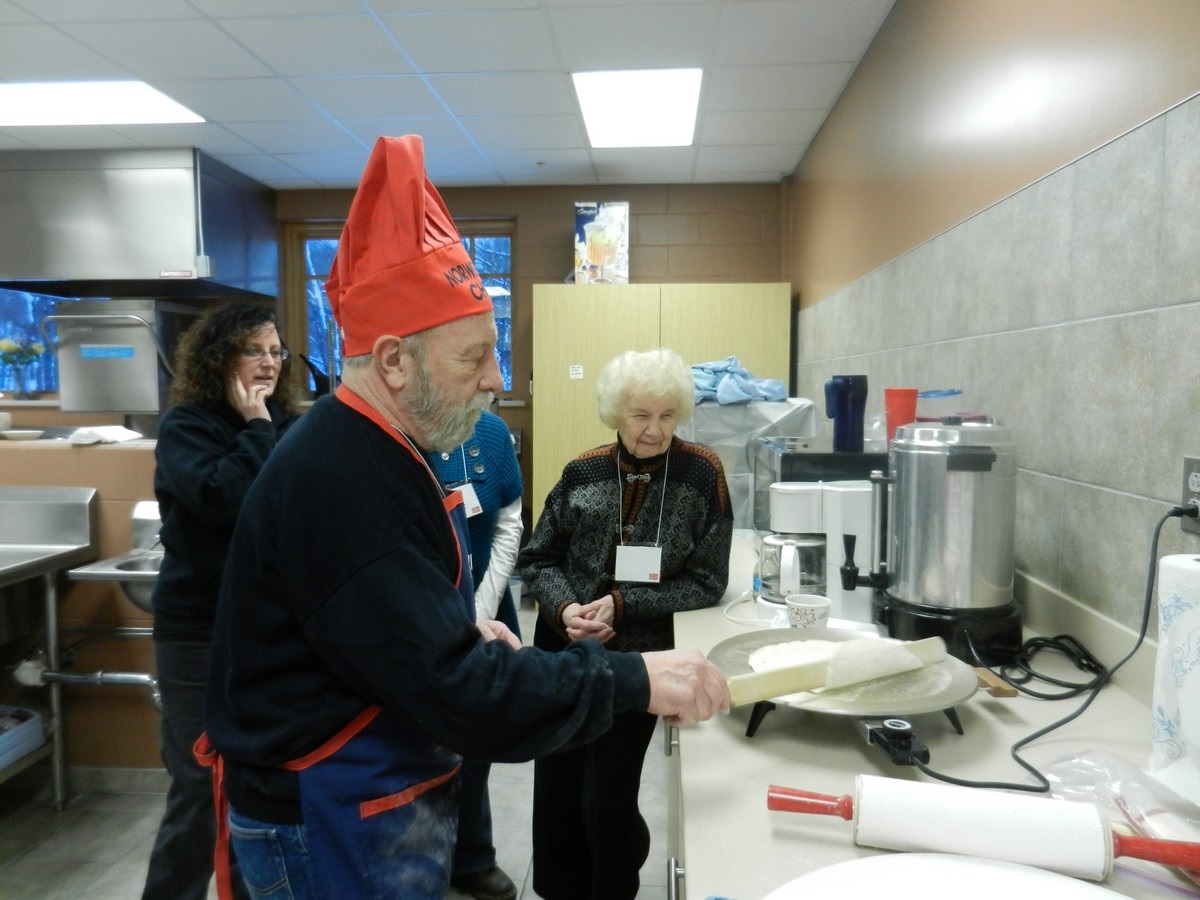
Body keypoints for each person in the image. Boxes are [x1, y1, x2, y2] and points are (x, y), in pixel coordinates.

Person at [200, 134, 730, 900]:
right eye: (473, 357)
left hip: (367, 784)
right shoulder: (342, 478)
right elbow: (465, 696)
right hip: (318, 816)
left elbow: (377, 622)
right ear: (391, 362)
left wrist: (447, 627)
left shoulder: (386, 444)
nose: (496, 378)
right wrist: (633, 679)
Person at [518, 346, 733, 900]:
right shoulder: (583, 471)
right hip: (563, 649)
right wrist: (566, 610)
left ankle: (612, 888)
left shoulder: (701, 473)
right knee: (559, 787)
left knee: (607, 799)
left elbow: (708, 581)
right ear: (616, 413)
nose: (655, 431)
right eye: (641, 416)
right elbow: (538, 558)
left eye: (666, 415)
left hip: (639, 661)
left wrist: (623, 604)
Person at [143, 303, 299, 900]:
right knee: (199, 785)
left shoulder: (287, 422)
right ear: (220, 356)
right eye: (254, 350)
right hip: (196, 631)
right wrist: (255, 427)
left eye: (275, 351)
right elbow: (224, 499)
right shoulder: (189, 425)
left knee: (253, 785)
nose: (268, 363)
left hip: (262, 627)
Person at [429, 407, 523, 900]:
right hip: (421, 614)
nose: (488, 378)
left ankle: (472, 857)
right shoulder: (406, 429)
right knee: (425, 743)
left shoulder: (490, 433)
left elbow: (509, 526)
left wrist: (478, 609)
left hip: (486, 606)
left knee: (477, 741)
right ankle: (427, 858)